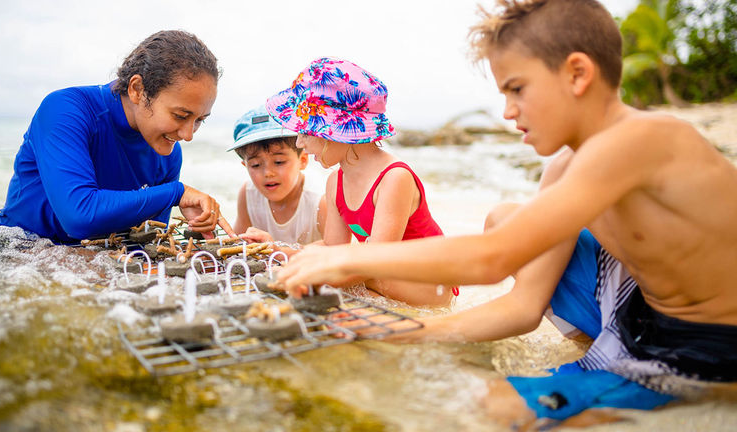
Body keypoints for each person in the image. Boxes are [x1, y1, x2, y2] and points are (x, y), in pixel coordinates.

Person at [274, 0, 737, 427]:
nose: (508, 112)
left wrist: (346, 260)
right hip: (634, 308)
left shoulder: (644, 139)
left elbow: (491, 260)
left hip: (704, 343)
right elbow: (522, 307)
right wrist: (417, 331)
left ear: (577, 74)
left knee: (494, 406)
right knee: (508, 218)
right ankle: (595, 357)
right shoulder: (563, 169)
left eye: (517, 89)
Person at [0, 30, 236, 245]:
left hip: (85, 266)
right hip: (15, 255)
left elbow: (142, 242)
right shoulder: (66, 110)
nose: (188, 134)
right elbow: (79, 217)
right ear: (137, 89)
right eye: (180, 115)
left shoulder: (168, 153)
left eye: (200, 120)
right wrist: (175, 194)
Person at [266, 57, 455, 307]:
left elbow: (376, 260)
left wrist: (308, 271)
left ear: (336, 131)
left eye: (305, 132)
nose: (299, 143)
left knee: (342, 281)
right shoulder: (335, 181)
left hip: (429, 283)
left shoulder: (394, 178)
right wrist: (279, 251)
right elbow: (334, 246)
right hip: (383, 275)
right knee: (332, 273)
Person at [228, 104, 326, 249]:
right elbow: (237, 243)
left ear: (303, 160)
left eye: (279, 162)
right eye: (255, 165)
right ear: (245, 166)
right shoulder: (248, 194)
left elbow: (335, 250)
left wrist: (276, 251)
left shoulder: (319, 201)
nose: (268, 172)